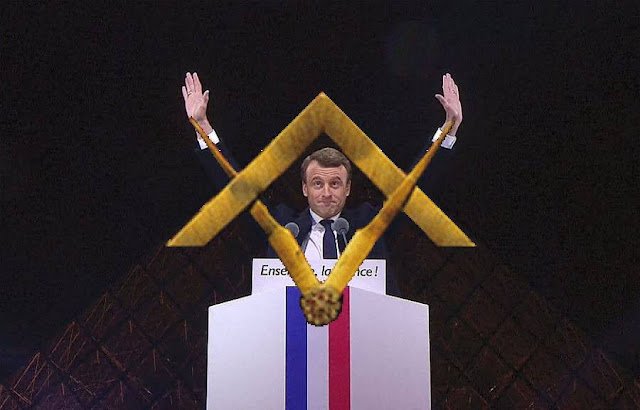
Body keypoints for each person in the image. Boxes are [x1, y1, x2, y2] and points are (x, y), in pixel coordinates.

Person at [181, 72, 463, 296]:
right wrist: (204, 128)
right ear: (304, 189)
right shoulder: (282, 225)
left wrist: (448, 130)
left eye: (335, 183)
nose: (327, 192)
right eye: (318, 183)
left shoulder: (369, 224)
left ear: (348, 189)